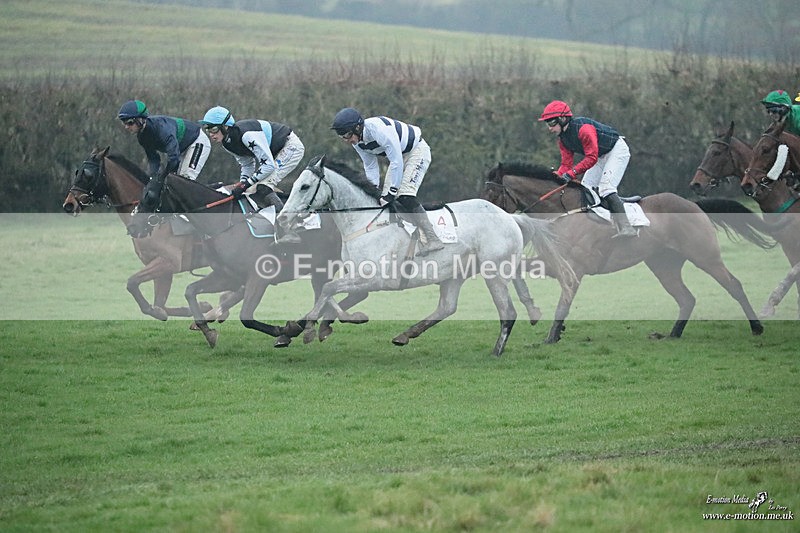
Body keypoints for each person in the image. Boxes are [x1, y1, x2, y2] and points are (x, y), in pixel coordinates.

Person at [331, 107, 444, 256]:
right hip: (398, 158)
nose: (347, 141)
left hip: (416, 151)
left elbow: (396, 160)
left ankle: (432, 237)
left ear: (358, 127)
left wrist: (391, 192)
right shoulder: (357, 142)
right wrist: (373, 190)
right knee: (384, 203)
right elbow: (370, 166)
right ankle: (402, 240)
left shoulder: (378, 130)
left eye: (348, 135)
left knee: (404, 195)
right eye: (343, 138)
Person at [538, 100, 636, 238]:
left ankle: (627, 227)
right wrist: (556, 177)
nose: (549, 128)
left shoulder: (584, 129)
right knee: (585, 188)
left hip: (616, 150)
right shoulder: (563, 139)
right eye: (547, 124)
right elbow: (566, 165)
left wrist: (572, 173)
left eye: (551, 123)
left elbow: (591, 158)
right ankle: (602, 225)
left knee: (606, 188)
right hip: (601, 156)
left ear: (563, 119)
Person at [118, 100, 211, 212]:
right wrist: (152, 179)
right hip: (181, 149)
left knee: (184, 182)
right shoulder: (142, 137)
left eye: (130, 122)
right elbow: (154, 160)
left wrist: (162, 177)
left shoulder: (162, 129)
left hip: (196, 141)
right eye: (124, 123)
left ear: (141, 119)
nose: (126, 127)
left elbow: (173, 159)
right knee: (171, 185)